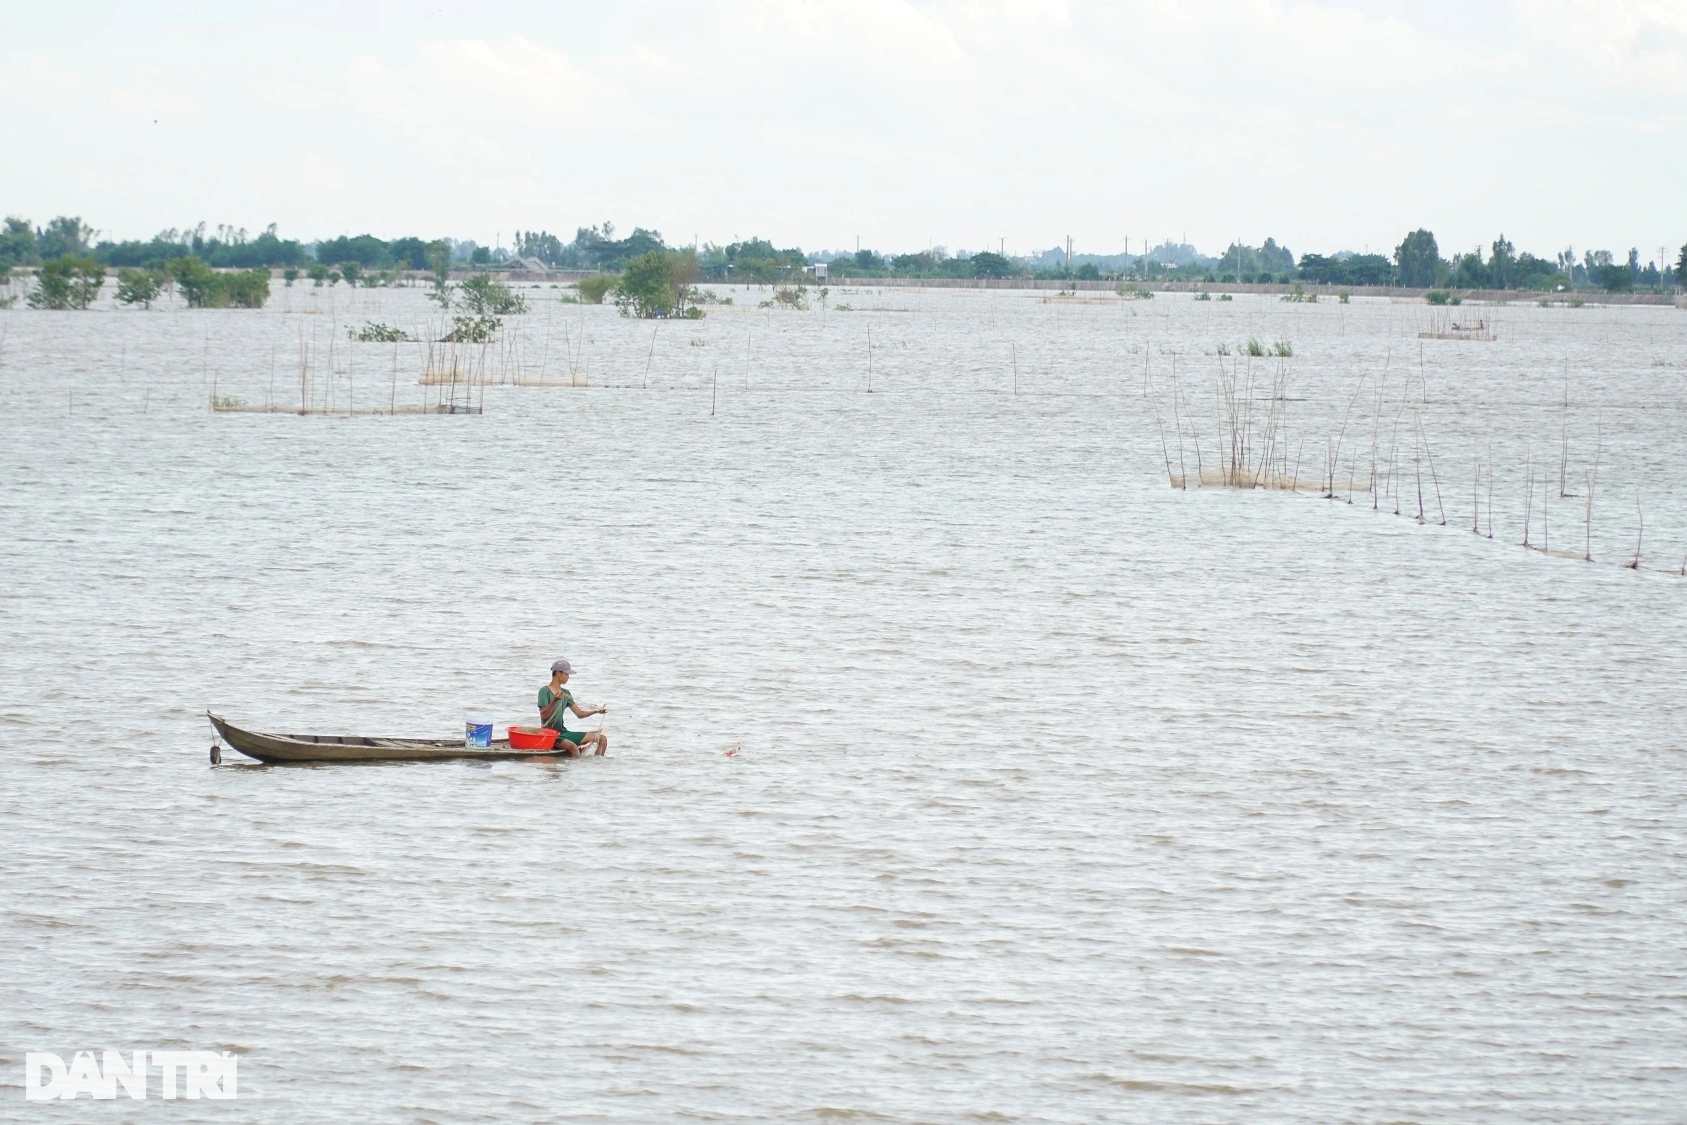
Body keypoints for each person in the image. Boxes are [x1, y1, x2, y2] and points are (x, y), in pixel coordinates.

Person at [537, 659, 608, 756]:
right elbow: (544, 715)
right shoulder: (544, 691)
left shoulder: (566, 693)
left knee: (602, 739)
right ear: (558, 673)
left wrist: (596, 711)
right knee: (573, 748)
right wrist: (554, 700)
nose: (568, 677)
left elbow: (579, 714)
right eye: (567, 674)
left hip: (563, 733)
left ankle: (598, 766)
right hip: (550, 735)